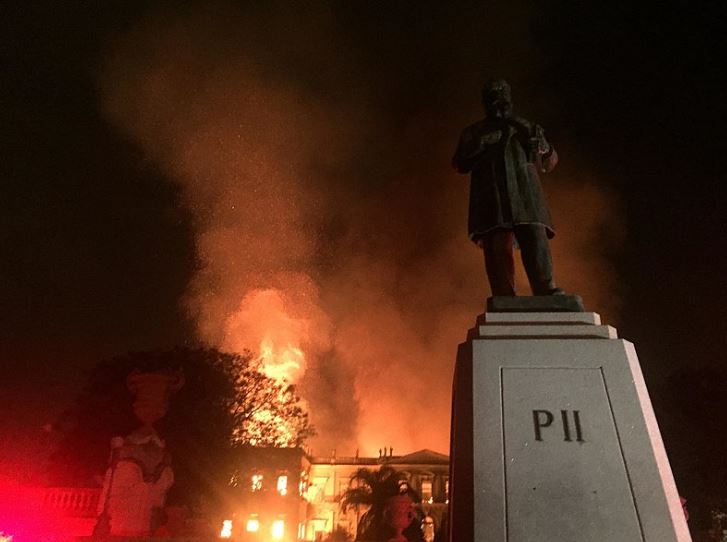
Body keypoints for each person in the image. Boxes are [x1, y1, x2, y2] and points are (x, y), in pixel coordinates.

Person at [452, 79, 562, 296]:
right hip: (492, 195)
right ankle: (503, 294)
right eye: (493, 97)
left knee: (534, 236)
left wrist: (543, 147)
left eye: (502, 96)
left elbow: (550, 162)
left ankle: (546, 289)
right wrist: (481, 144)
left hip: (525, 194)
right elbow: (459, 163)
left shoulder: (526, 127)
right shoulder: (475, 131)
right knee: (497, 242)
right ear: (486, 103)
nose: (498, 101)